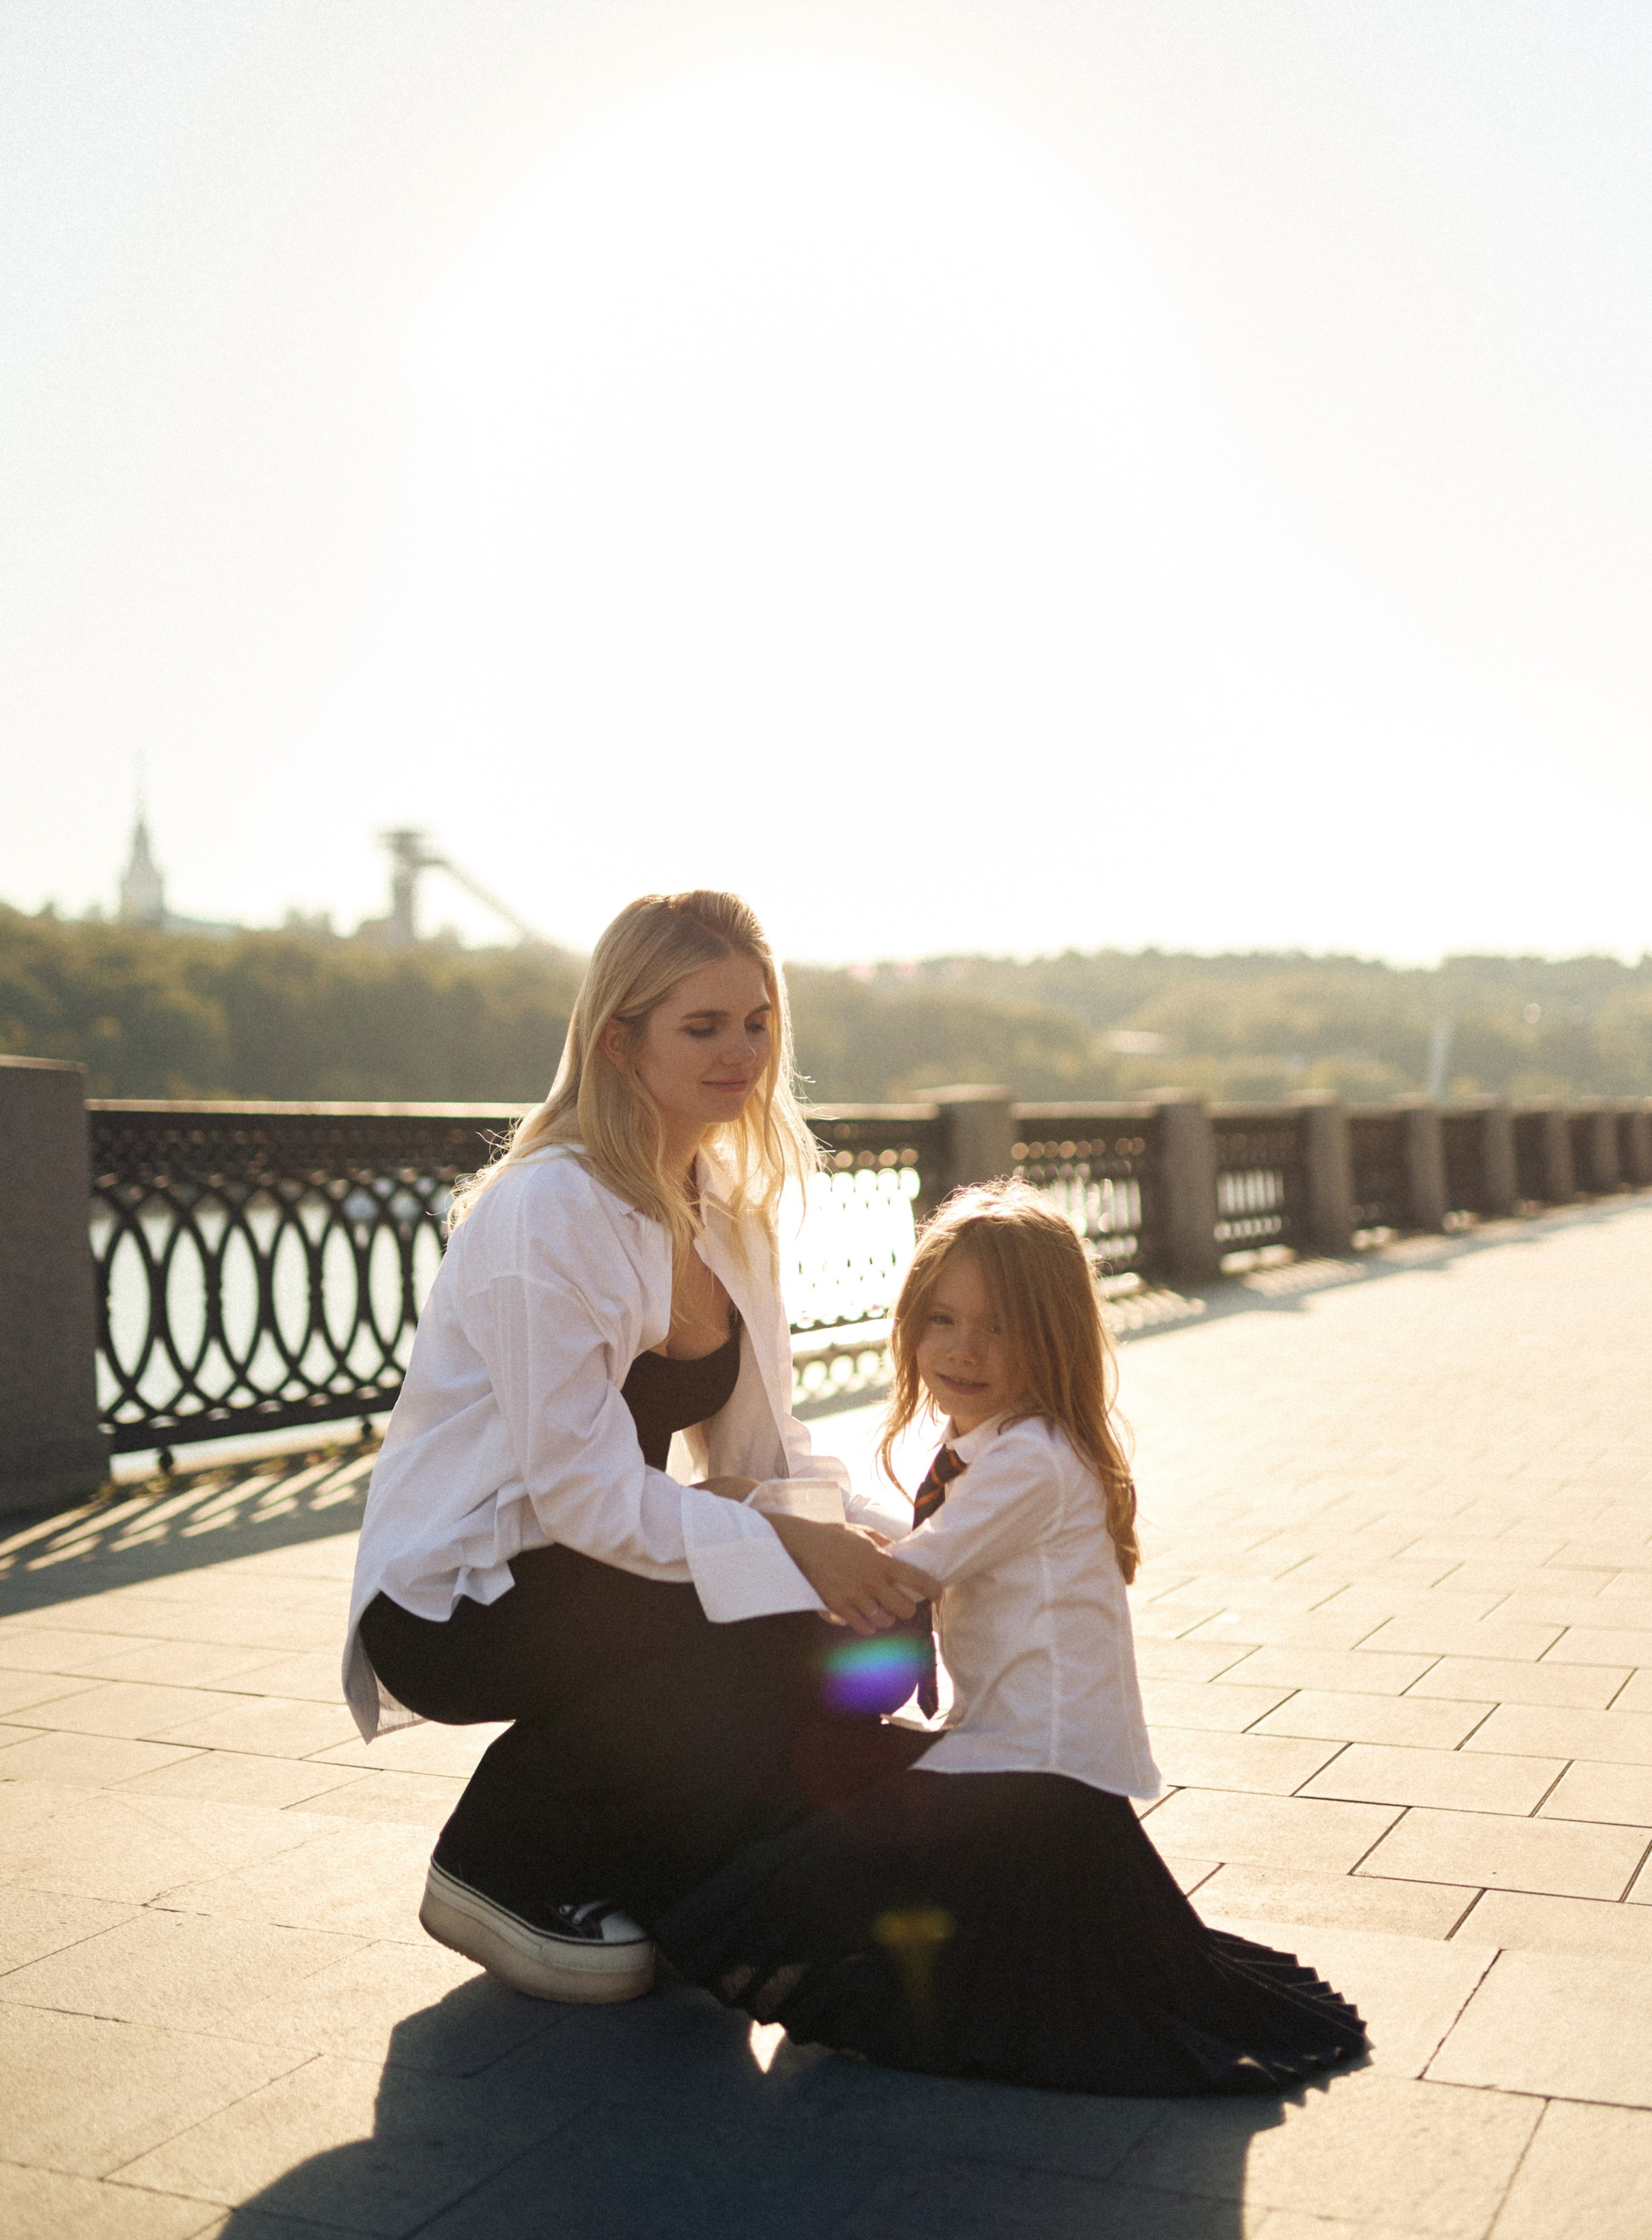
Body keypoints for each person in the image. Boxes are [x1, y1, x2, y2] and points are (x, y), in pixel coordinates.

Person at [653, 1182, 1369, 2096]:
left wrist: (748, 1509)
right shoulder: (991, 1445)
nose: (965, 1350)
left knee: (780, 1877)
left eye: (1002, 1328)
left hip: (1038, 1775)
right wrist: (840, 1540)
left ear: (1057, 1336)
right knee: (828, 1800)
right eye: (942, 1320)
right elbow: (913, 1554)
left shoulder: (1031, 1460)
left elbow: (901, 1580)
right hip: (1020, 1757)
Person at [341, 891, 922, 2003]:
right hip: (461, 1593)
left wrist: (901, 1545)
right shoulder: (548, 1211)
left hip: (590, 1568)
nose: (741, 1053)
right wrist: (802, 1561)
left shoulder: (728, 1208)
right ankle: (497, 1861)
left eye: (756, 1022)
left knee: (866, 1627)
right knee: (765, 1615)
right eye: (701, 1027)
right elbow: (584, 1497)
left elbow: (763, 1453)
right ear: (620, 1038)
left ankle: (680, 1860)